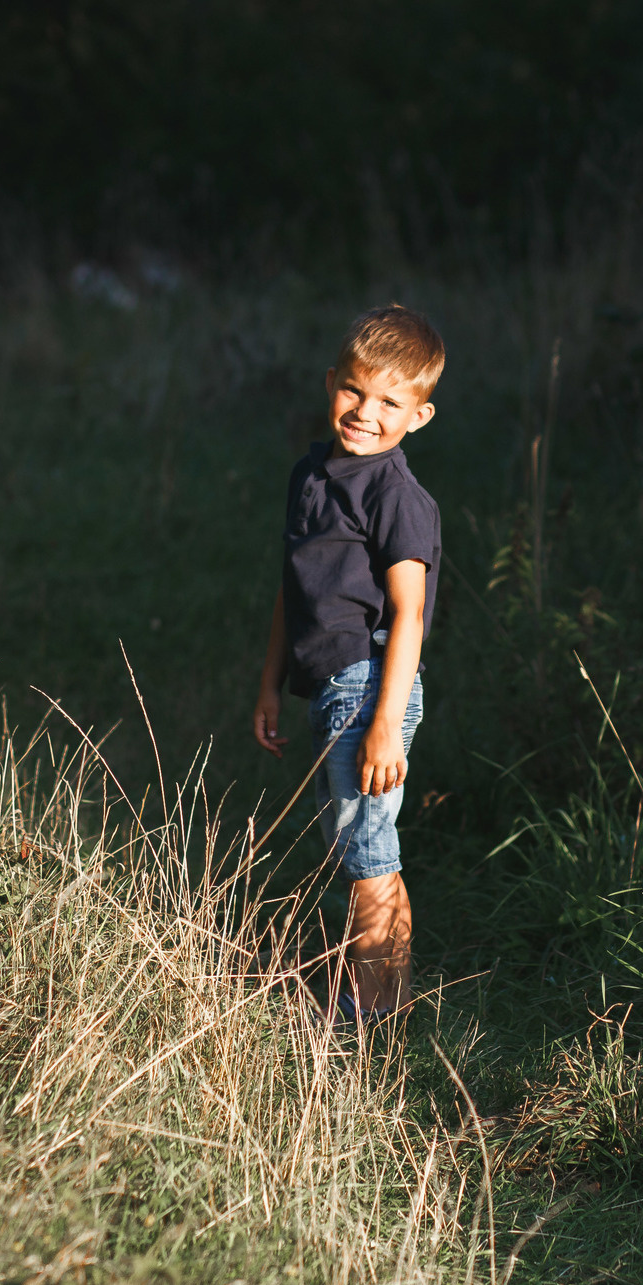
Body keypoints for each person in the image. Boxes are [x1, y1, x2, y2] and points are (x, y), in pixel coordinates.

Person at [252, 303, 445, 1020]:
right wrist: (270, 685)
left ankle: (369, 1014)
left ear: (419, 416)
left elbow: (408, 614)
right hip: (333, 688)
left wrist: (386, 723)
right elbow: (293, 588)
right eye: (355, 391)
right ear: (331, 381)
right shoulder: (311, 475)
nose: (366, 413)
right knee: (366, 851)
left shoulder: (396, 497)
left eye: (391, 403)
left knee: (366, 859)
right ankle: (388, 1005)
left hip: (370, 688)